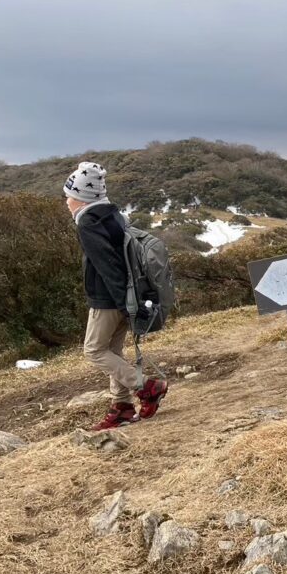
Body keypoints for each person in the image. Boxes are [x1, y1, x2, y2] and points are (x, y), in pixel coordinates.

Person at [64, 162, 167, 430]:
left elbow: (108, 265)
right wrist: (129, 303)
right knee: (112, 351)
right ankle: (121, 407)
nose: (67, 202)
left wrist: (122, 303)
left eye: (70, 196)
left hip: (108, 299)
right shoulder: (112, 215)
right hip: (125, 295)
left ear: (83, 197)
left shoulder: (88, 222)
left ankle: (147, 387)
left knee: (94, 350)